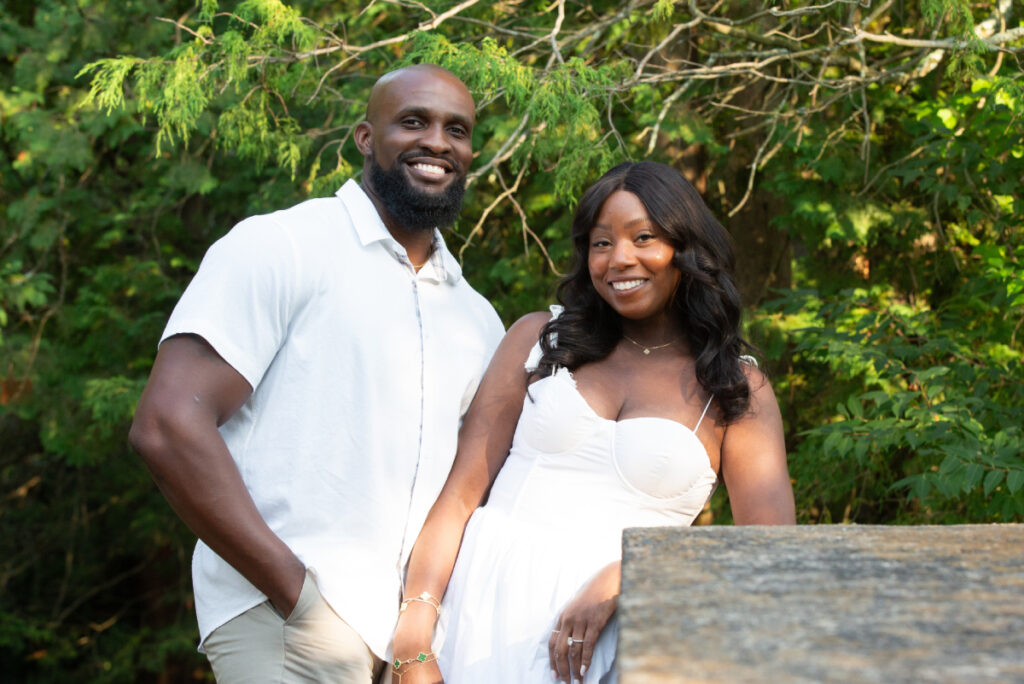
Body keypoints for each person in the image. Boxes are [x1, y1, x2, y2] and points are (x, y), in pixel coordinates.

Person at [128, 64, 504, 683]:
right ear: (365, 138)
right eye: (413, 122)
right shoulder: (282, 245)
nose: (437, 142)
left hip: (406, 648)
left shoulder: (476, 317)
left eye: (456, 130)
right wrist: (295, 592)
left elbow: (469, 492)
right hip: (287, 622)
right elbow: (168, 425)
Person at [389, 161, 796, 684]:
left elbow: (771, 552)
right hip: (474, 617)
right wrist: (414, 638)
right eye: (601, 243)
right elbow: (460, 497)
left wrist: (633, 571)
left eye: (643, 237)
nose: (619, 258)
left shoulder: (733, 388)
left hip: (613, 648)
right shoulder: (541, 341)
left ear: (686, 248)